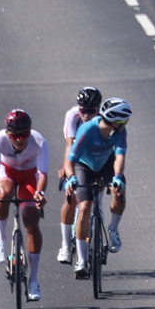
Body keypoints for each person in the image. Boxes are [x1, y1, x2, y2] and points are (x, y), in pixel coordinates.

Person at [0, 110, 48, 301]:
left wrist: (40, 193)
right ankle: (1, 238)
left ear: (30, 132)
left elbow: (43, 174)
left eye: (24, 134)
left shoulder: (39, 141)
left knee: (31, 222)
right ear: (8, 134)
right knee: (3, 194)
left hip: (30, 174)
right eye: (15, 136)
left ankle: (34, 280)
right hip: (8, 171)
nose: (20, 140)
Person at [67, 98, 131, 278]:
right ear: (113, 120)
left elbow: (119, 156)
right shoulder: (87, 130)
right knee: (84, 207)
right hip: (84, 166)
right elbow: (71, 160)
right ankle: (81, 259)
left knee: (120, 192)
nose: (125, 124)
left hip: (105, 163)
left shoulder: (120, 132)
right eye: (123, 121)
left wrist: (117, 177)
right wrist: (71, 178)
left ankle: (113, 230)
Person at [57, 87, 101, 264]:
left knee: (97, 200)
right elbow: (70, 145)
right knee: (71, 199)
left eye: (91, 111)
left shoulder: (104, 118)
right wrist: (66, 171)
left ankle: (100, 228)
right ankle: (66, 245)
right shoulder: (72, 115)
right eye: (83, 110)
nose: (86, 115)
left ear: (99, 109)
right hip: (77, 158)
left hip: (97, 159)